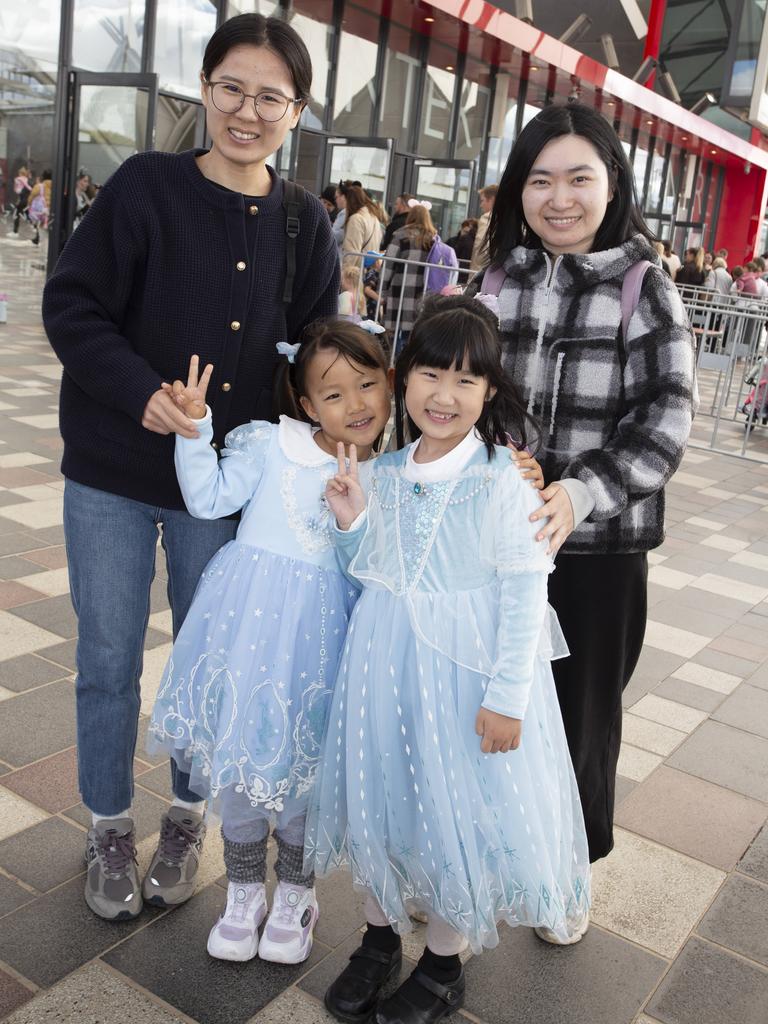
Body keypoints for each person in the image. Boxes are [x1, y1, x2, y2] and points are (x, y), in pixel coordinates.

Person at [42, 12, 340, 923]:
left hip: (228, 491)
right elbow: (73, 304)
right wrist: (144, 394)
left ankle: (186, 815)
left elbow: (319, 360)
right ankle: (106, 824)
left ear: (297, 111)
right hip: (114, 470)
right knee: (106, 655)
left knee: (214, 656)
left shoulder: (304, 221)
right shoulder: (144, 188)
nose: (247, 112)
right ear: (204, 91)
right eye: (231, 89)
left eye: (270, 98)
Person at [309, 294, 590, 1024]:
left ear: (490, 391)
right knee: (386, 798)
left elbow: (528, 590)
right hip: (383, 668)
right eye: (432, 374)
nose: (445, 395)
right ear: (405, 379)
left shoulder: (503, 479)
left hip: (465, 681)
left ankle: (442, 960)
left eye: (467, 380)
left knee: (454, 810)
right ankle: (377, 937)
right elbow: (375, 568)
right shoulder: (390, 469)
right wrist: (350, 525)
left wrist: (507, 697)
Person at [474, 102, 696, 875]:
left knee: (580, 715)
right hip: (495, 542)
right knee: (493, 698)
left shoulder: (643, 285)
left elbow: (666, 417)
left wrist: (580, 492)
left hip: (598, 551)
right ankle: (496, 846)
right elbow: (457, 394)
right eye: (540, 180)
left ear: (612, 187)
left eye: (579, 178)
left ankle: (568, 868)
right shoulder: (496, 279)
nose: (559, 198)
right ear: (518, 190)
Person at [149, 321, 392, 961]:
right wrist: (196, 430)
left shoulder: (394, 474)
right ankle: (244, 890)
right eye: (334, 394)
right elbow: (207, 499)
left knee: (305, 769)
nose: (357, 404)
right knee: (244, 755)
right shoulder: (270, 443)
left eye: (368, 385)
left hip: (329, 643)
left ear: (391, 385)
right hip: (249, 634)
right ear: (307, 404)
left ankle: (296, 896)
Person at [380, 202, 437, 354]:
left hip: (401, 290)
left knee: (395, 331)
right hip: (423, 292)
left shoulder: (400, 235)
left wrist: (382, 290)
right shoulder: (433, 239)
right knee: (413, 332)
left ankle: (395, 362)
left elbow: (388, 264)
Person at [342, 184, 383, 267]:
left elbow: (352, 252)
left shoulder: (356, 219)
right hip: (369, 272)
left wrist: (344, 273)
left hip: (356, 272)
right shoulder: (374, 217)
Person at [469, 184, 497, 271]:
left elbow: (480, 248)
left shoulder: (487, 218)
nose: (481, 205)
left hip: (481, 274)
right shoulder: (509, 219)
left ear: (492, 200)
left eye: (482, 201)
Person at [26, 169, 52, 245]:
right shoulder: (57, 187)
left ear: (43, 177)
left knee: (41, 227)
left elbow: (31, 197)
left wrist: (29, 205)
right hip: (52, 211)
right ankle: (38, 240)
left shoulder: (39, 186)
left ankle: (39, 241)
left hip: (42, 211)